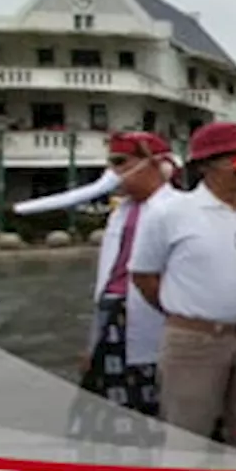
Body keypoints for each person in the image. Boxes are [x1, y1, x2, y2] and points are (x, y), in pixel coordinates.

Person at [129, 122, 236, 452]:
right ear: (206, 165)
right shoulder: (170, 212)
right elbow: (143, 275)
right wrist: (186, 312)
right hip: (195, 341)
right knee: (187, 440)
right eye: (231, 160)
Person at [71, 132, 177, 448]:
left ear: (158, 165)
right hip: (112, 312)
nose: (113, 172)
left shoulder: (178, 209)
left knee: (156, 401)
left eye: (121, 163)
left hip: (154, 313)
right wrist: (92, 341)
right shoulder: (121, 211)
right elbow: (108, 275)